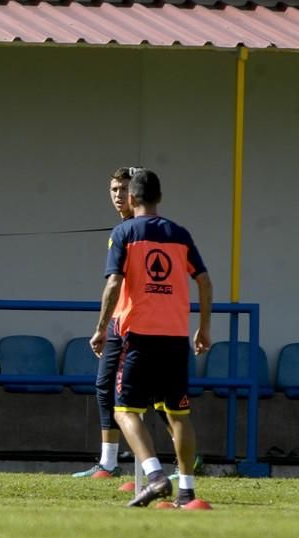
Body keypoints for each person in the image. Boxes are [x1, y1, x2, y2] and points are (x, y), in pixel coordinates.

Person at [90, 169, 212, 508]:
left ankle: (156, 475)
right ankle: (187, 490)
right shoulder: (180, 234)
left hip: (138, 337)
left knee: (124, 411)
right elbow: (204, 281)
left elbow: (113, 284)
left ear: (132, 198)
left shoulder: (124, 232)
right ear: (159, 198)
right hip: (175, 337)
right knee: (178, 415)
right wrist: (204, 327)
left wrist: (101, 328)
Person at [73, 166, 136, 479]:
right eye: (113, 190)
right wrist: (105, 325)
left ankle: (183, 460)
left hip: (141, 322)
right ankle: (108, 462)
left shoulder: (142, 228)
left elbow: (113, 283)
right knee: (103, 386)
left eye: (123, 189)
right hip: (118, 320)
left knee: (156, 396)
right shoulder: (120, 230)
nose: (118, 196)